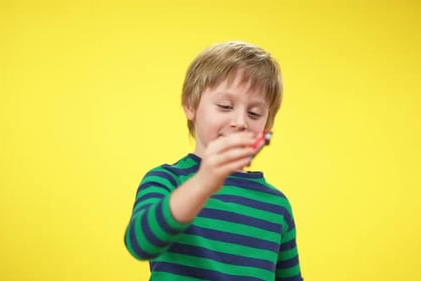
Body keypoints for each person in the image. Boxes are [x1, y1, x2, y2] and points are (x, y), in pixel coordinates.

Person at [124, 41, 303, 281]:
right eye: (225, 106)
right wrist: (203, 183)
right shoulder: (166, 180)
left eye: (254, 113)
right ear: (190, 105)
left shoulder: (277, 206)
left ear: (266, 126)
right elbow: (140, 243)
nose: (240, 121)